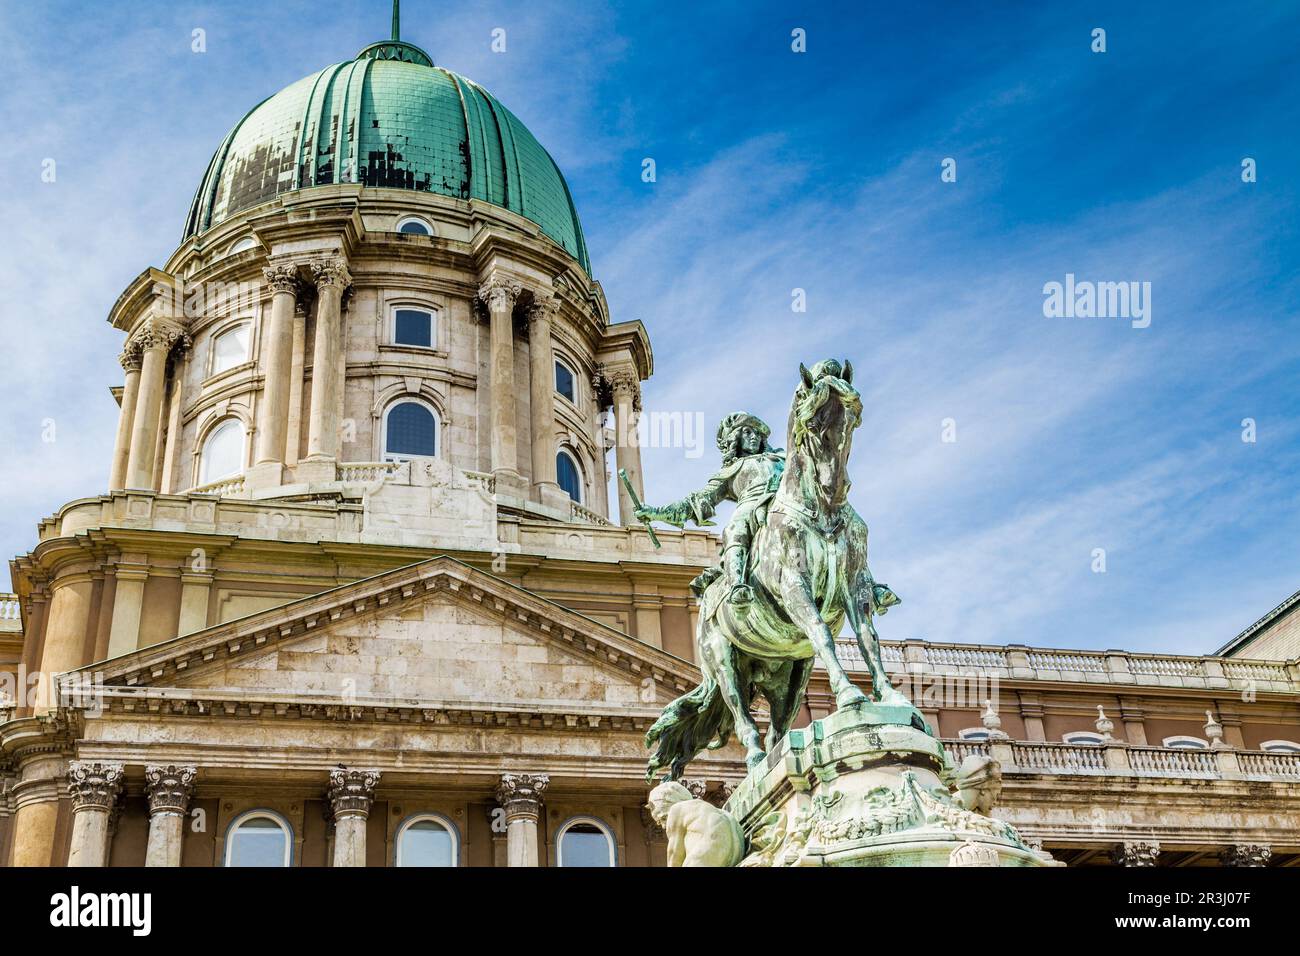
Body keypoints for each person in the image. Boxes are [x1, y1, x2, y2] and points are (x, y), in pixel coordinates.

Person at [635, 412, 783, 605]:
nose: (754, 436)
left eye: (757, 433)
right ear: (735, 438)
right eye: (747, 432)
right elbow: (696, 502)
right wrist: (656, 513)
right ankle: (737, 585)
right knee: (735, 529)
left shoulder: (781, 458)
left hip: (785, 502)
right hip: (751, 509)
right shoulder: (731, 471)